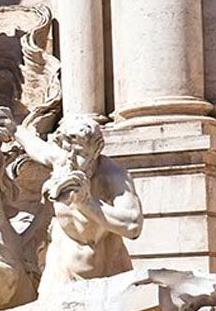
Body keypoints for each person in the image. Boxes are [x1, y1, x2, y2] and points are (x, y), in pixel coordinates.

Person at [14, 115, 143, 294]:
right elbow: (33, 145)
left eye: (80, 152)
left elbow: (133, 226)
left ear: (96, 150)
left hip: (108, 275)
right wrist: (13, 128)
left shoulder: (113, 176)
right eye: (67, 150)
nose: (71, 159)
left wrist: (88, 203)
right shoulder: (62, 160)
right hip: (61, 272)